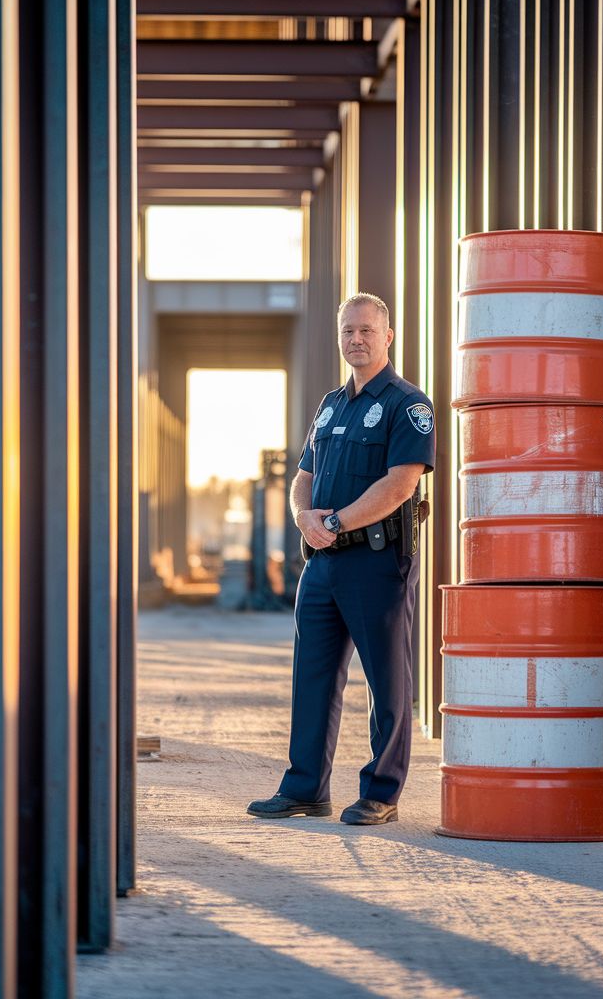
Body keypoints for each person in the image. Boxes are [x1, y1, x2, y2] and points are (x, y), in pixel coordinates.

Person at [247, 293, 435, 826]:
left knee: (387, 682)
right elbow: (303, 477)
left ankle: (381, 792)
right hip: (323, 566)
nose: (356, 340)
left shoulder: (408, 405)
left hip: (377, 564)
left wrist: (331, 523)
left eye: (367, 332)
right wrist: (305, 518)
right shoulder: (330, 405)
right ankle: (305, 788)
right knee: (313, 678)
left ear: (388, 337)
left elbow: (400, 485)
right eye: (348, 331)